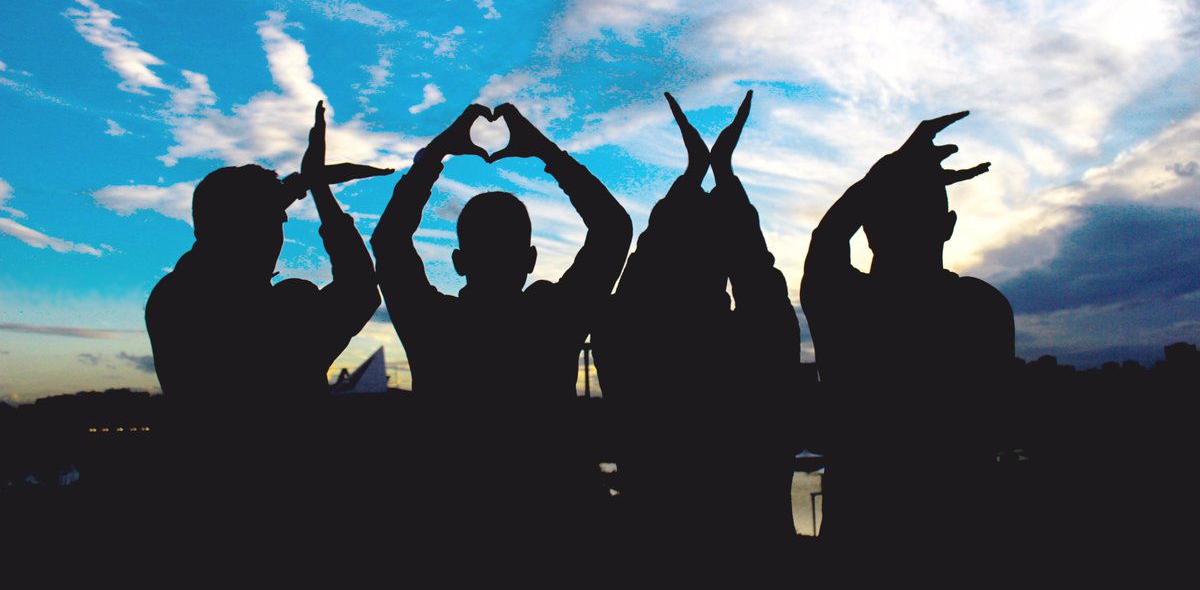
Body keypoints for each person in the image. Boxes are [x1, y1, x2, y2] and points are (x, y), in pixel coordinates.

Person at [370, 102, 632, 568]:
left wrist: (436, 155)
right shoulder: (556, 317)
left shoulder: (431, 322)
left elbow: (389, 240)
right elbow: (613, 228)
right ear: (530, 259)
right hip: (558, 528)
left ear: (458, 261)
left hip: (447, 528)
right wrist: (545, 152)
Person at [144, 101, 386, 559]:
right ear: (258, 228)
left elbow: (222, 237)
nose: (281, 232)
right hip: (289, 518)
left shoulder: (173, 297)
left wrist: (297, 185)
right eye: (277, 221)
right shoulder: (282, 312)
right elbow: (360, 289)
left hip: (196, 516)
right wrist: (320, 194)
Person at [799, 111, 1014, 577]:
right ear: (948, 225)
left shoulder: (841, 303)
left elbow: (828, 237)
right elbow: (998, 418)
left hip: (862, 541)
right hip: (964, 540)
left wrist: (883, 174)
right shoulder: (983, 307)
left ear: (870, 230)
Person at [598, 91, 802, 574]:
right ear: (726, 267)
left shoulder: (633, 350)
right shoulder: (761, 341)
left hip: (656, 553)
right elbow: (758, 271)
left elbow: (638, 280)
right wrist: (724, 175)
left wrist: (692, 175)